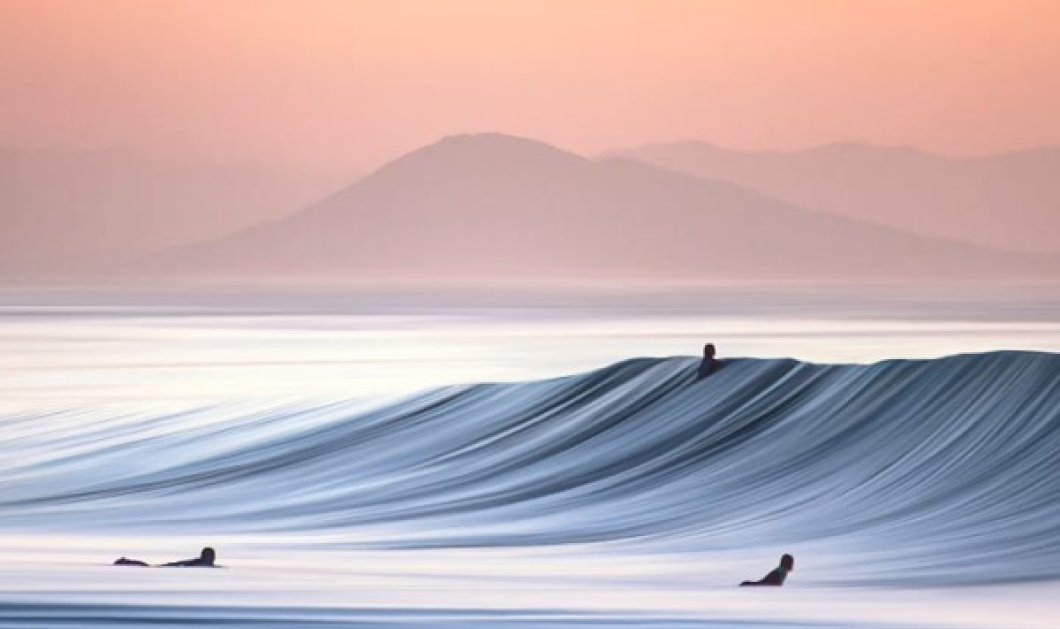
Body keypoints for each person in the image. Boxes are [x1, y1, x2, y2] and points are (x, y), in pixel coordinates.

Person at [112, 547, 217, 567]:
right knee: (149, 567)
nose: (212, 557)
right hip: (175, 566)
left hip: (176, 565)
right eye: (211, 555)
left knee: (149, 567)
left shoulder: (202, 563)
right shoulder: (201, 564)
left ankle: (127, 562)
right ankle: (126, 562)